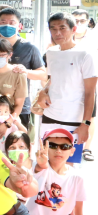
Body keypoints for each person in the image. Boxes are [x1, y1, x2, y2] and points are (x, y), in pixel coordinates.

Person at [36, 12, 97, 160]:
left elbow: (91, 92)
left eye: (62, 28)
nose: (57, 33)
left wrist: (85, 124)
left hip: (73, 119)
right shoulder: (51, 52)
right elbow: (51, 81)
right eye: (53, 28)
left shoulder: (86, 55)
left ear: (73, 29)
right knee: (46, 160)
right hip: (49, 115)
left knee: (68, 163)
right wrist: (42, 93)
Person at [0, 7, 46, 129]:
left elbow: (42, 74)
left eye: (12, 22)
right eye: (3, 22)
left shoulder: (29, 48)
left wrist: (25, 71)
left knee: (17, 145)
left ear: (19, 25)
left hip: (20, 108)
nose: (7, 25)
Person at [26, 129, 85, 215]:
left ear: (72, 151)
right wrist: (41, 164)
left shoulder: (77, 178)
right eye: (52, 146)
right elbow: (39, 168)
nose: (58, 150)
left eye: (64, 147)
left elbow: (79, 212)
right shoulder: (40, 167)